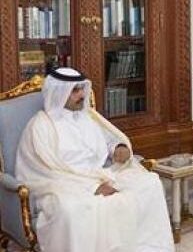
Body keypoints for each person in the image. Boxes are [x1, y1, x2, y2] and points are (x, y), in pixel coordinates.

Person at [15, 68, 173, 252]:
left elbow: (108, 139)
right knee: (72, 209)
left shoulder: (87, 116)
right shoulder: (41, 125)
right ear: (59, 92)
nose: (82, 95)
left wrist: (118, 148)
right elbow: (44, 171)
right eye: (75, 90)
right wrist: (92, 187)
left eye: (82, 89)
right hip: (64, 184)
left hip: (102, 174)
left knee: (149, 183)